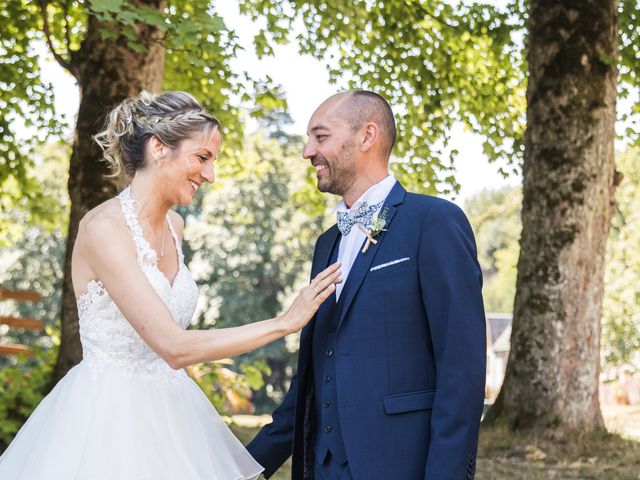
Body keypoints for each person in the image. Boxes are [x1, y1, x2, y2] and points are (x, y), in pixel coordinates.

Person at [0, 91, 341, 480]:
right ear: (159, 148)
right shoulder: (103, 229)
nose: (210, 175)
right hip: (107, 422)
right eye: (202, 158)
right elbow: (174, 347)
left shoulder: (176, 227)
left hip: (173, 413)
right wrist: (285, 322)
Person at [247, 91, 486, 480]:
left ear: (367, 135)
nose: (308, 151)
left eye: (320, 137)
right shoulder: (326, 244)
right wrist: (241, 468)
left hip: (400, 465)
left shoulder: (435, 222)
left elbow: (461, 369)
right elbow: (310, 380)